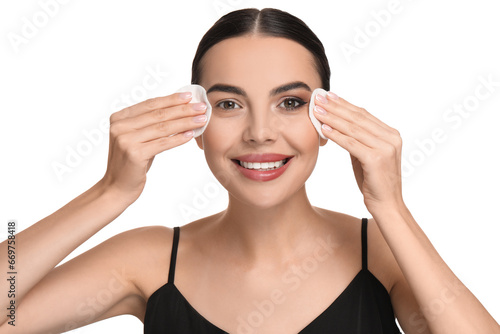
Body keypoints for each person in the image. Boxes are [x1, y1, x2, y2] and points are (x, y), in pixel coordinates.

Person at [0, 7, 498, 334]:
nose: (260, 132)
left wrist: (391, 206)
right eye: (229, 104)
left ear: (327, 119)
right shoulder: (150, 258)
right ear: (195, 123)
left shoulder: (383, 252)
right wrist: (109, 192)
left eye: (289, 101)